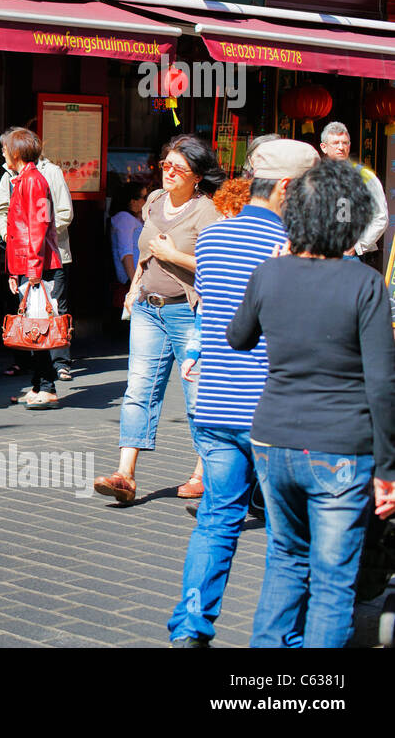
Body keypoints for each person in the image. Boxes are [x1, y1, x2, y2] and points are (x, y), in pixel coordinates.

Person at [227, 158, 395, 647]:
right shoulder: (364, 284)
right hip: (342, 445)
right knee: (333, 580)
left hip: (273, 438)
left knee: (285, 557)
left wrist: (277, 269)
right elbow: (382, 386)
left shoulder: (268, 274)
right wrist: (387, 469)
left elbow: (237, 338)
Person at [165, 139, 318, 647]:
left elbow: (214, 314)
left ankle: (189, 629)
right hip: (275, 410)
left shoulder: (211, 239)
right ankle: (276, 645)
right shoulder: (298, 246)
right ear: (292, 188)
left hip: (215, 404)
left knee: (215, 522)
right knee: (288, 539)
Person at [94, 135, 224, 503]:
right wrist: (135, 288)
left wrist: (173, 254)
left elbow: (217, 267)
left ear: (196, 175)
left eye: (177, 168)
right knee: (138, 388)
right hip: (149, 309)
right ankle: (125, 474)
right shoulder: (153, 201)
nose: (168, 172)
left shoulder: (209, 211)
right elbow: (145, 253)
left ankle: (204, 472)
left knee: (198, 395)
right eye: (165, 165)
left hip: (189, 312)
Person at [0, 133, 75, 382]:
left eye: (6, 149)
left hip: (40, 265)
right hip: (30, 263)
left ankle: (46, 386)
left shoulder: (34, 181)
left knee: (42, 321)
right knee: (34, 320)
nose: (3, 153)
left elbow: (38, 228)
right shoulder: (20, 179)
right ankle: (39, 386)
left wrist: (32, 270)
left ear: (16, 152)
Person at [318, 121, 388, 262]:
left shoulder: (364, 176)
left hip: (348, 256)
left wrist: (358, 245)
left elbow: (381, 216)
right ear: (324, 147)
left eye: (345, 143)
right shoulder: (314, 176)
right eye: (336, 143)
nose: (341, 147)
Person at [110, 182, 146, 310]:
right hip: (128, 281)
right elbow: (126, 253)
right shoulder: (124, 218)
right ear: (133, 201)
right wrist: (134, 285)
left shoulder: (131, 219)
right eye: (143, 198)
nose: (145, 202)